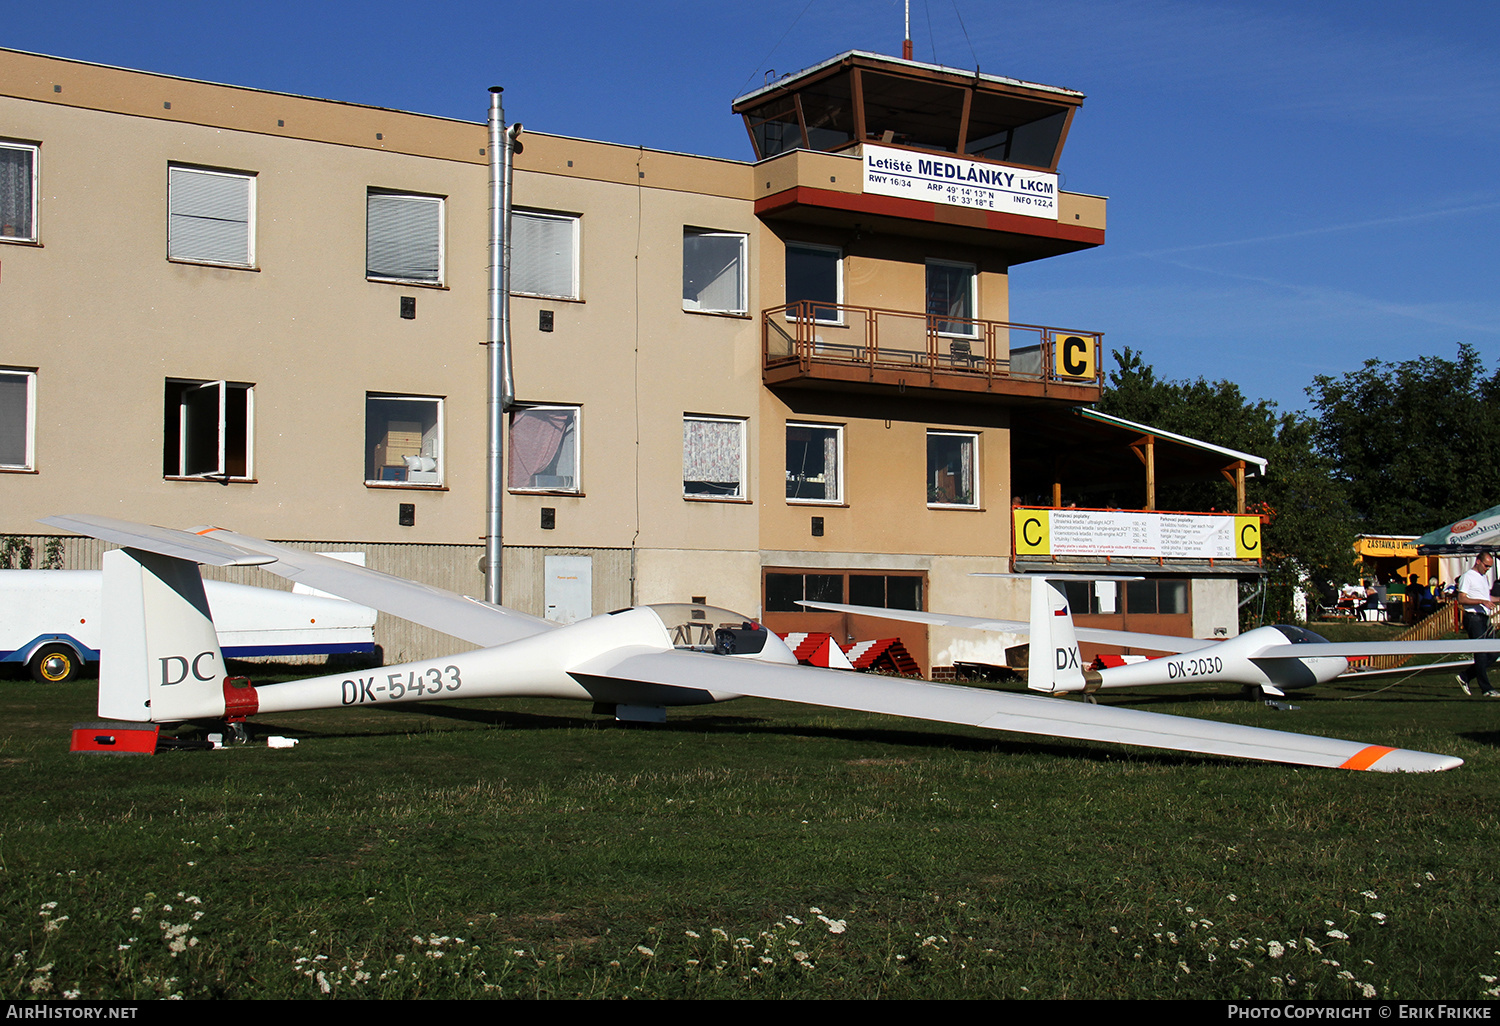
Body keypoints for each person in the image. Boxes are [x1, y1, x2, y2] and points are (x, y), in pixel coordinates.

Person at [1456, 550, 1499, 697]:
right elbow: (1461, 599)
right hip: (1473, 618)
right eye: (1486, 565)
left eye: (1489, 567)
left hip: (1484, 618)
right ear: (1478, 561)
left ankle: (1466, 676)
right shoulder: (1467, 577)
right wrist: (1481, 601)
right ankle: (1486, 689)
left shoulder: (1483, 577)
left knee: (1494, 652)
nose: (1487, 569)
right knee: (1480, 653)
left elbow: (1487, 597)